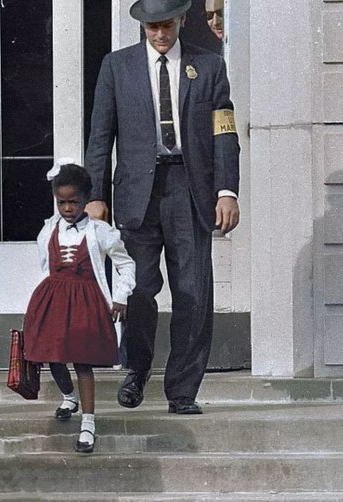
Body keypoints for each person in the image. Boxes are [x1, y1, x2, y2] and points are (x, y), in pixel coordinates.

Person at [85, 0, 240, 415]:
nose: (159, 34)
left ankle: (183, 389)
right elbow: (101, 135)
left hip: (190, 190)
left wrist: (227, 190)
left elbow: (224, 132)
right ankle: (136, 370)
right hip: (137, 194)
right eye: (151, 26)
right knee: (138, 289)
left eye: (166, 25)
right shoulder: (117, 67)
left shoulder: (208, 66)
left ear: (182, 21)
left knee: (192, 291)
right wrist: (95, 196)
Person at [24, 162, 136, 453]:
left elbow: (126, 264)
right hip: (54, 298)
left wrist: (121, 296)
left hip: (86, 301)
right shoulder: (49, 230)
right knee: (52, 354)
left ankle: (88, 422)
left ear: (86, 200)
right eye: (62, 202)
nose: (68, 208)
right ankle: (69, 396)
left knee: (82, 361)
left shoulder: (100, 232)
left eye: (74, 202)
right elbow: (45, 265)